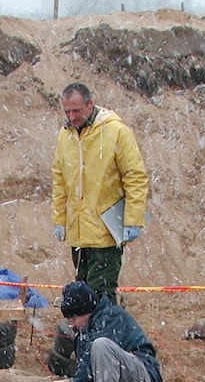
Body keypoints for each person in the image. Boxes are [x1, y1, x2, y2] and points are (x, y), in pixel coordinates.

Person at [51, 82, 149, 302]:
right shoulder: (65, 137)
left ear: (90, 104)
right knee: (83, 296)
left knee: (100, 295)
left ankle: (106, 334)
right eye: (67, 111)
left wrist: (133, 220)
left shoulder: (116, 132)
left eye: (76, 110)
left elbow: (135, 176)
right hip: (78, 235)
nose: (71, 116)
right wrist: (59, 219)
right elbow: (59, 181)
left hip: (105, 233)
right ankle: (92, 334)